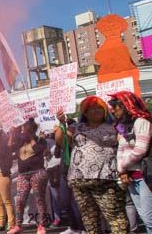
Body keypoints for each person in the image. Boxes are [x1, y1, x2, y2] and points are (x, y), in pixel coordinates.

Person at [56, 96, 127, 234]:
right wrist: (61, 124)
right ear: (85, 112)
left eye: (100, 107)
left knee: (116, 218)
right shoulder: (76, 127)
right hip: (80, 180)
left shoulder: (114, 127)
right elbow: (61, 141)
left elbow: (124, 146)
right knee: (90, 220)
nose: (96, 110)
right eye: (92, 108)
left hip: (106, 179)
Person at [109, 91, 152, 234]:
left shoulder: (141, 122)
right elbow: (121, 149)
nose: (113, 111)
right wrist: (122, 171)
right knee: (145, 218)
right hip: (131, 177)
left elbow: (140, 150)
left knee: (150, 219)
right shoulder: (123, 127)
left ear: (125, 106)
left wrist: (122, 166)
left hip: (146, 176)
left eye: (116, 107)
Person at [7, 119, 49, 234]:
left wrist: (31, 137)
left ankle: (41, 225)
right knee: (19, 200)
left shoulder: (40, 140)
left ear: (31, 129)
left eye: (24, 128)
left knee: (39, 199)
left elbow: (38, 150)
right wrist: (11, 134)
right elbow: (9, 149)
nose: (22, 130)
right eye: (22, 128)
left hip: (37, 173)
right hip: (23, 175)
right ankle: (18, 226)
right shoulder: (20, 141)